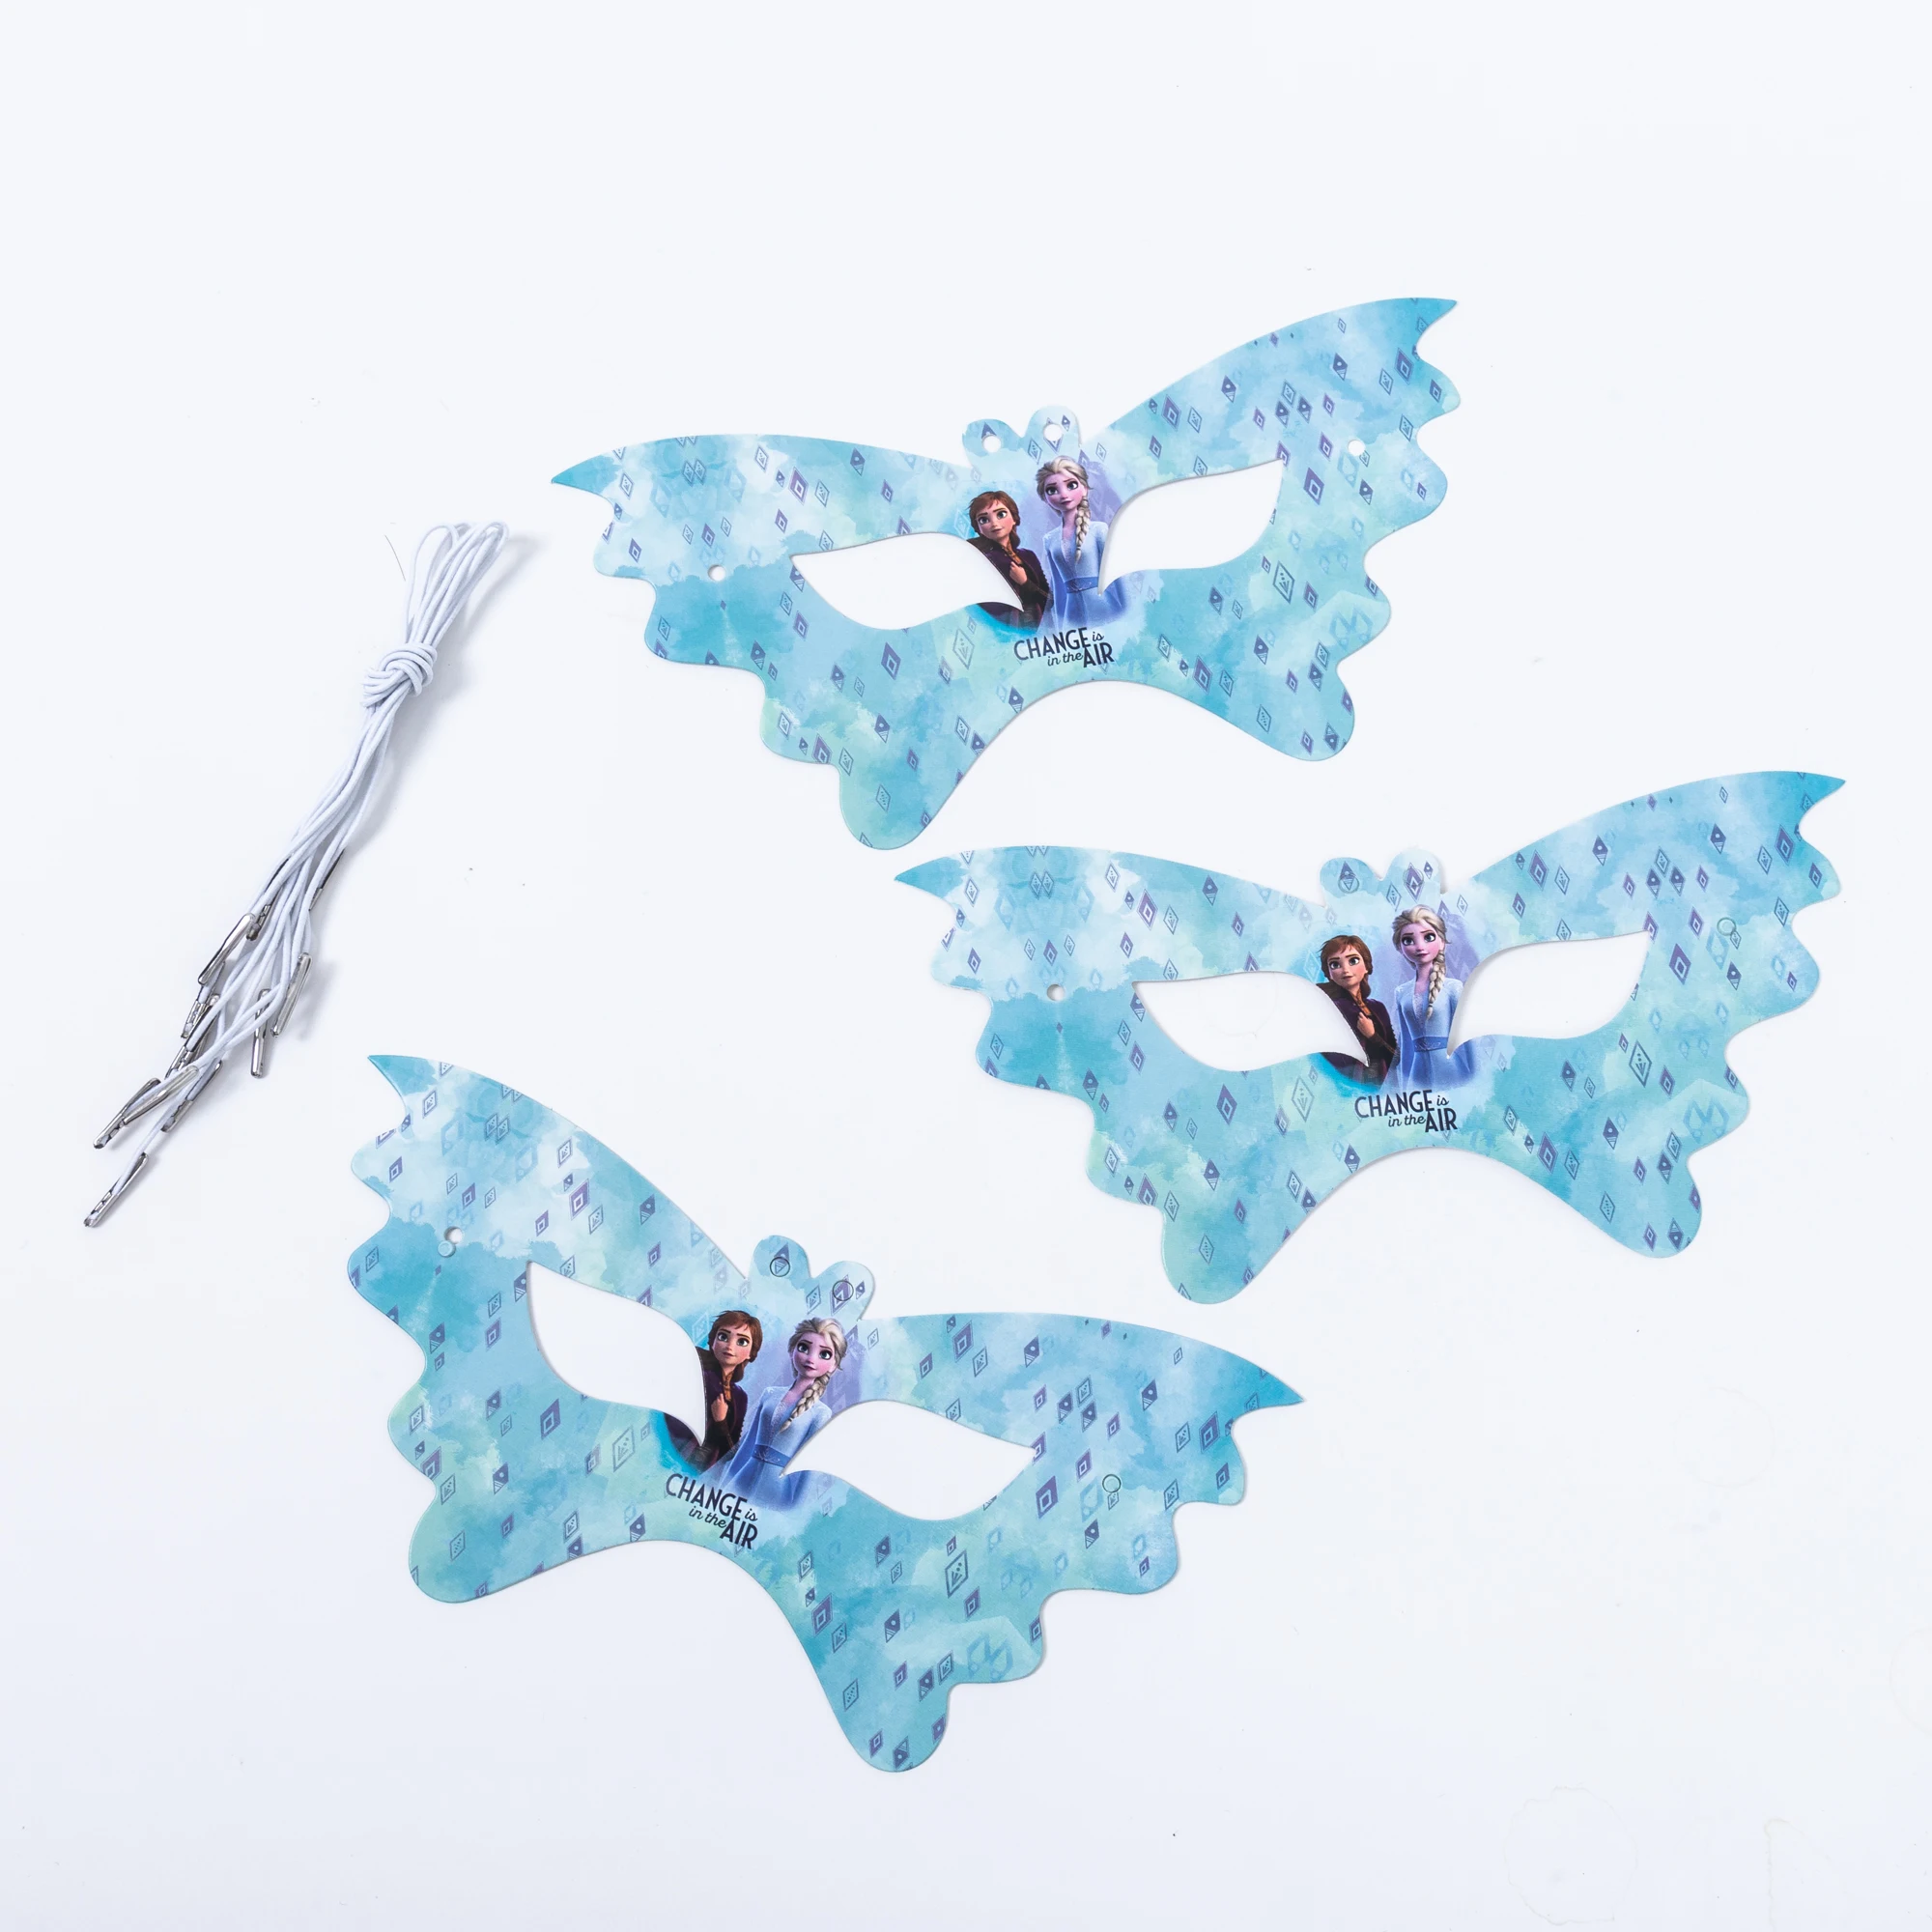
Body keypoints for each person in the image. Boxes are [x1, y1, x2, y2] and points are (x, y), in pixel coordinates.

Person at [721, 1318, 849, 1511]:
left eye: (824, 1354)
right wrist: (725, 1483)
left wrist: (794, 1510)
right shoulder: (770, 1394)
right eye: (804, 1348)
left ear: (833, 1365)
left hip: (775, 1492)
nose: (811, 1358)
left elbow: (807, 1471)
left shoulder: (820, 1413)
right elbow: (748, 1443)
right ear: (792, 1350)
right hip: (743, 1479)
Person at [1388, 906, 1476, 1089]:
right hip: (1418, 1074)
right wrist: (1405, 1087)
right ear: (1400, 948)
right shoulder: (1401, 992)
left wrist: (1475, 1081)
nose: (1420, 946)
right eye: (1408, 940)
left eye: (1428, 937)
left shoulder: (1453, 988)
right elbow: (1406, 1044)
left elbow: (1467, 1041)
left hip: (1451, 1072)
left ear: (1442, 942)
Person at [1035, 456, 1127, 628]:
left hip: (1103, 608)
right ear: (1045, 497)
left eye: (1071, 485)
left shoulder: (1099, 530)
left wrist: (1127, 615)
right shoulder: (1049, 539)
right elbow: (1058, 587)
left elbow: (1118, 578)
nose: (1064, 494)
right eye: (1052, 490)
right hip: (1072, 614)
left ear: (1084, 489)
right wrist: (1061, 627)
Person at [665, 1310, 762, 1472]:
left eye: (742, 1341)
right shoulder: (697, 1375)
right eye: (723, 1336)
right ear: (713, 1341)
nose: (730, 1346)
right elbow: (673, 1422)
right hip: (675, 1459)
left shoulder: (739, 1396)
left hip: (705, 1472)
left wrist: (721, 1421)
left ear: (751, 1353)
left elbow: (730, 1451)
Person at [1316, 934, 1396, 1086]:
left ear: (1366, 966)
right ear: (1329, 974)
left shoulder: (1377, 1007)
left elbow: (1394, 1057)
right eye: (1335, 964)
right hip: (1352, 1088)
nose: (1345, 970)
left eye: (1353, 961)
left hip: (1386, 1085)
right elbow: (1335, 1059)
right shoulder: (1331, 1008)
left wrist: (1373, 1036)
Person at [966, 489, 1050, 630]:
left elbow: (1048, 600)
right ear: (978, 528)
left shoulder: (1028, 555)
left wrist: (1025, 583)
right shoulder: (983, 561)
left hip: (1043, 627)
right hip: (1010, 632)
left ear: (1014, 518)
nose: (994, 523)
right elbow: (989, 608)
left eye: (1001, 514)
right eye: (984, 519)